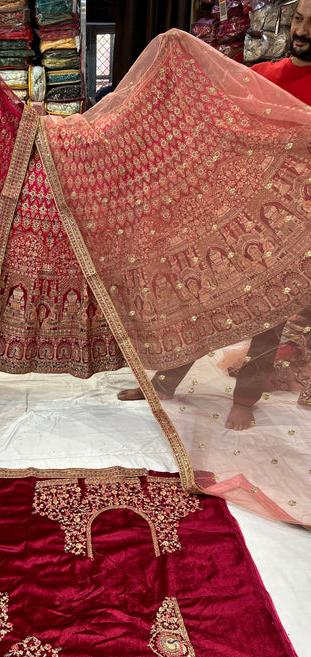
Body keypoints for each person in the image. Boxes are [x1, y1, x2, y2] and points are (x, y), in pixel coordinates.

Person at [118, 0, 311, 431]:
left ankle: (245, 398)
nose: (302, 30)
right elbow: (219, 122)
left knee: (270, 314)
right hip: (239, 216)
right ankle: (166, 383)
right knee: (202, 296)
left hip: (296, 228)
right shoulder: (264, 77)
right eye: (298, 18)